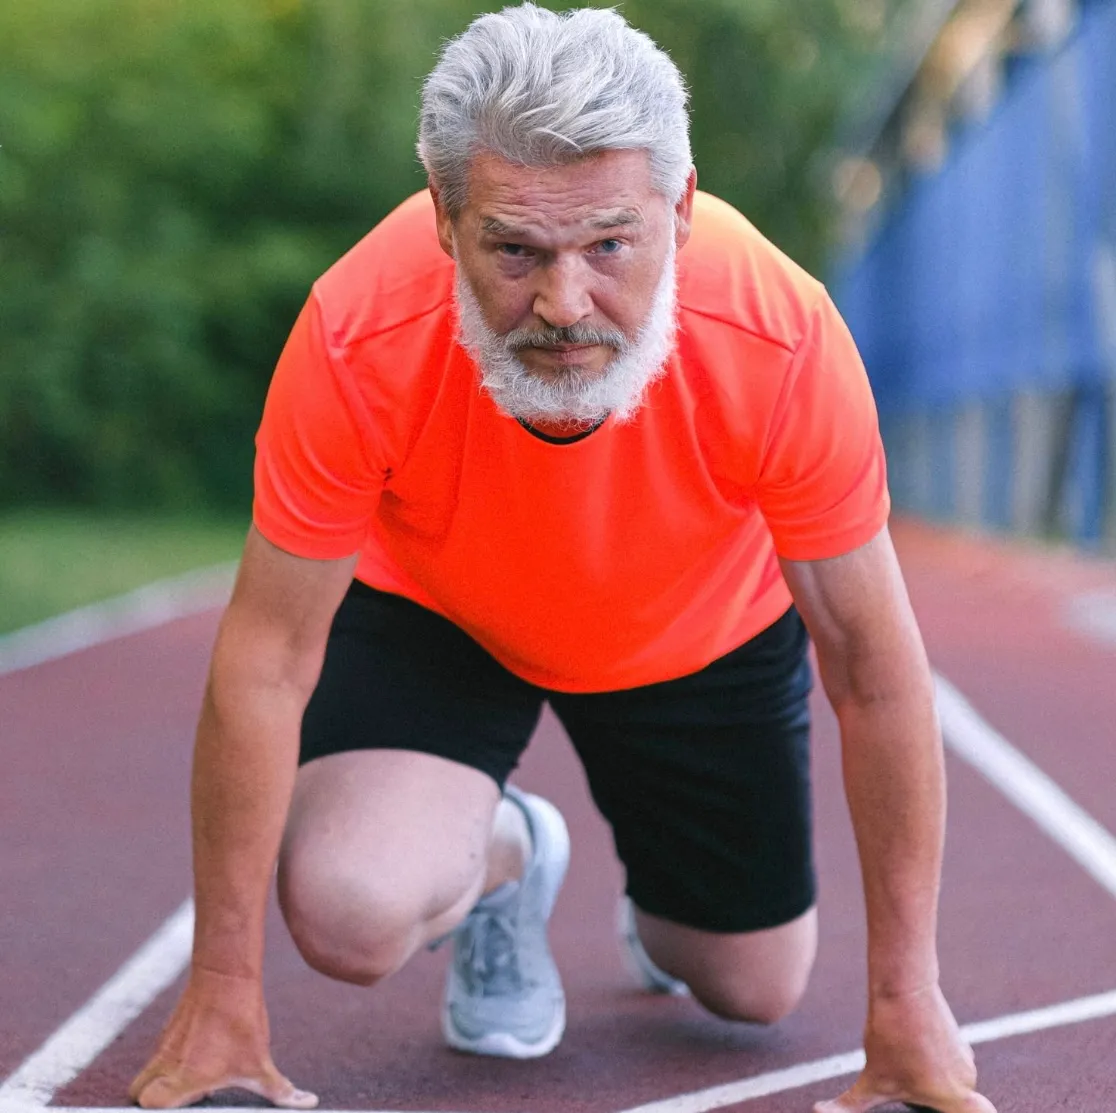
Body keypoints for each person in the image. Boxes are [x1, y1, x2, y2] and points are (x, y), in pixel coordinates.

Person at [129, 5, 996, 1112]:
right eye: (514, 250)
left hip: (698, 627)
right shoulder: (357, 332)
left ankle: (670, 901)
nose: (564, 303)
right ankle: (509, 856)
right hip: (445, 611)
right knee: (348, 911)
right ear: (445, 217)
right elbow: (263, 661)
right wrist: (220, 990)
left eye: (610, 246)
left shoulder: (781, 337)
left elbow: (874, 671)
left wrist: (909, 997)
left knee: (753, 988)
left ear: (679, 212)